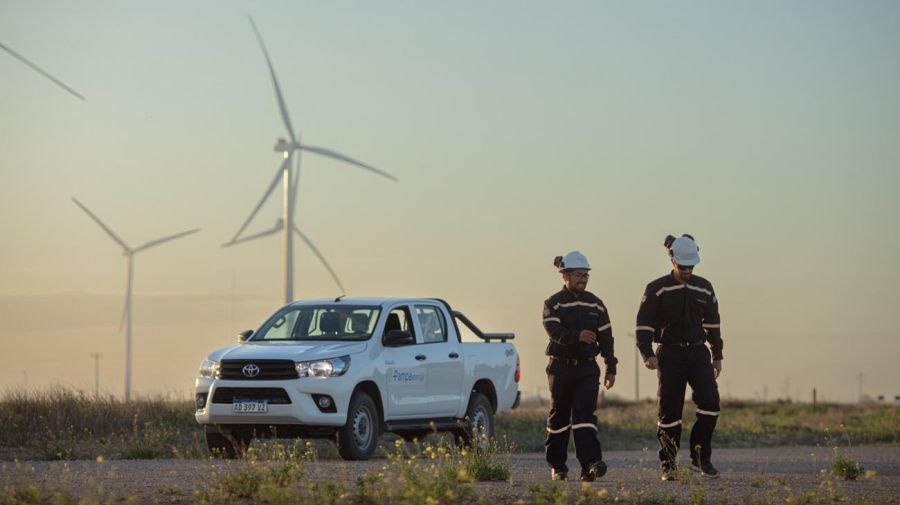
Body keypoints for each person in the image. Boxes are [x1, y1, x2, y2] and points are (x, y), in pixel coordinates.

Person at [635, 234, 723, 481]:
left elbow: (713, 323)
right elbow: (643, 324)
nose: (687, 271)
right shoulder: (656, 288)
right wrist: (647, 353)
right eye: (683, 266)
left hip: (697, 352)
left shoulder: (704, 287)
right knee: (669, 412)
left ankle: (700, 457)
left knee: (710, 404)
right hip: (670, 353)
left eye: (691, 267)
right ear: (672, 261)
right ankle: (669, 465)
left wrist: (717, 355)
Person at [542, 250, 617, 482]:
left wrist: (610, 366)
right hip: (560, 368)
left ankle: (591, 465)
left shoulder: (596, 304)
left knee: (585, 416)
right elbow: (554, 331)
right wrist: (577, 336)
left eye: (586, 275)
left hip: (587, 369)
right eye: (577, 275)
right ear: (564, 275)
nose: (582, 279)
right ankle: (558, 465)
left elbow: (607, 337)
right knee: (560, 417)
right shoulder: (552, 304)